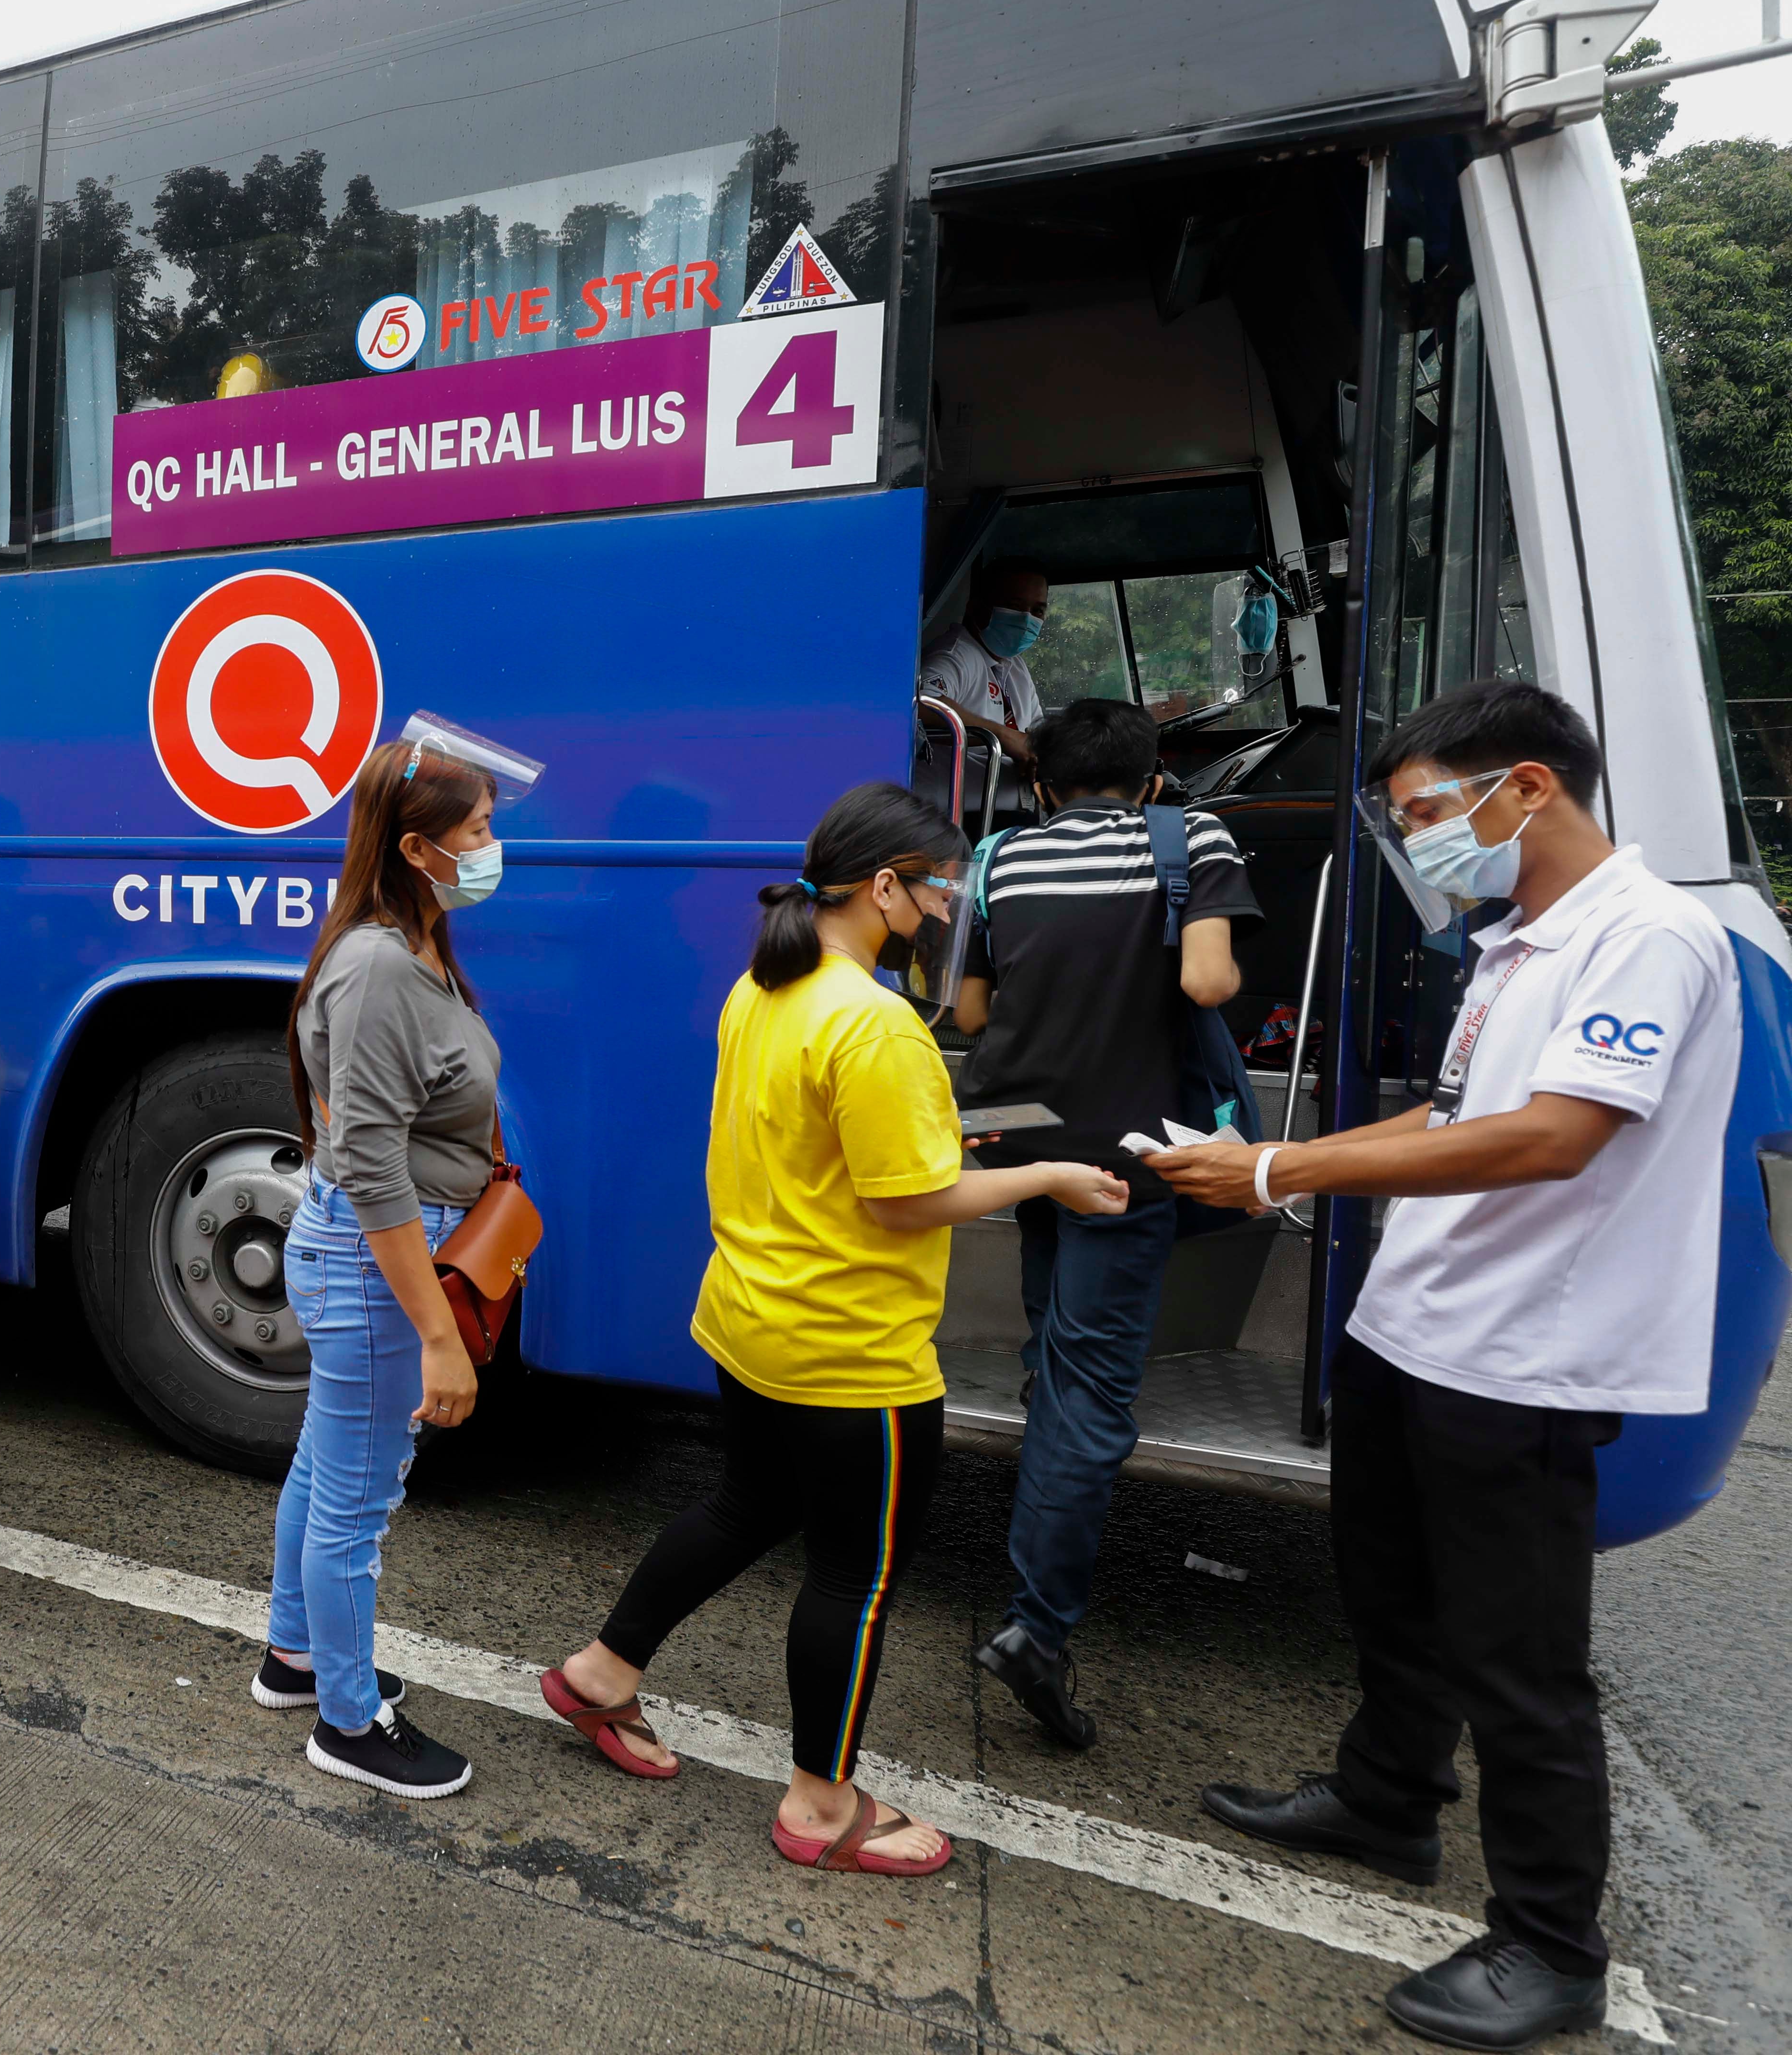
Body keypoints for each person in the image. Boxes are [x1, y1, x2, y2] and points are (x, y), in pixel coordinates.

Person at [1157, 681, 1735, 2052]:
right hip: (1419, 1330)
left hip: (1529, 1355)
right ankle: (1388, 1798)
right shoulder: (1519, 939)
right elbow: (1462, 1115)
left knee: (1521, 1660)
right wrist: (1287, 1174)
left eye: (1425, 812)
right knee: (1393, 1595)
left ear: (1525, 788)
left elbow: (1549, 1138)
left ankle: (1550, 1943)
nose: (1418, 841)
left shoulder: (1650, 937)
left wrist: (1283, 1164)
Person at [540, 783, 1127, 1875]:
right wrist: (1048, 1173)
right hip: (854, 1354)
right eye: (938, 887)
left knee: (742, 1506)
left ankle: (599, 1677)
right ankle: (822, 1806)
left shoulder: (767, 992)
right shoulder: (876, 1019)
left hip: (753, 1320)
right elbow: (904, 1201)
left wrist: (960, 1146)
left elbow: (832, 1156)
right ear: (886, 886)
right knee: (852, 1579)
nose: (945, 910)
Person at [946, 698, 1257, 1749]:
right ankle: (1036, 1625)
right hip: (1131, 1144)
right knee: (1090, 1389)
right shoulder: (1192, 834)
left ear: (1042, 786)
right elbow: (1208, 978)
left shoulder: (999, 852)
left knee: (1054, 1349)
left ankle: (1037, 1533)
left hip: (1012, 1126)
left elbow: (975, 1013)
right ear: (1154, 777)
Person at [263, 720, 540, 1801]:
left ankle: (296, 1657)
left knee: (323, 1472)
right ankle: (345, 1721)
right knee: (358, 1503)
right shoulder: (379, 964)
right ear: (417, 849)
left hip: (378, 1248)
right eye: (472, 831)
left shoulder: (414, 943)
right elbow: (371, 1163)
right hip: (385, 1258)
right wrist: (438, 1335)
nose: (488, 848)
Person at [917, 559, 1049, 818]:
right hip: (954, 820)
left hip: (1011, 816)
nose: (1027, 620)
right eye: (1014, 607)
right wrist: (1004, 737)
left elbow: (1036, 727)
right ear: (976, 607)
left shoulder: (1016, 667)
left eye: (1038, 611)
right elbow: (922, 702)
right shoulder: (954, 655)